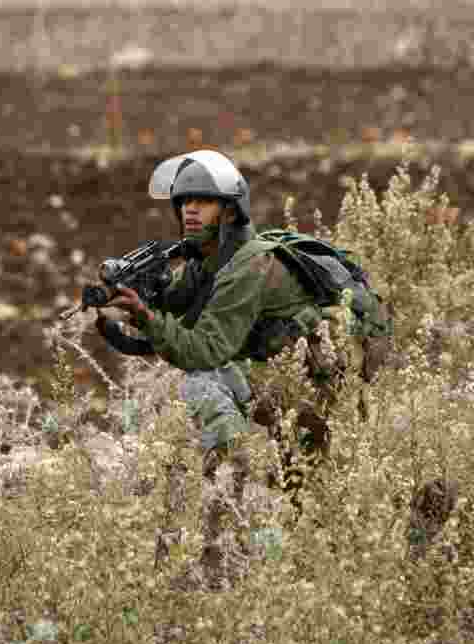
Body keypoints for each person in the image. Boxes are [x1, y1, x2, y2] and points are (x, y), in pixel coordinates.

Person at [95, 149, 384, 590]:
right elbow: (176, 304)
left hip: (317, 381)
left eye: (203, 201)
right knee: (298, 491)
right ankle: (254, 494)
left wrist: (147, 318)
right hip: (285, 372)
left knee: (206, 383)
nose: (190, 210)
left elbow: (203, 349)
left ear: (229, 209)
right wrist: (137, 300)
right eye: (183, 202)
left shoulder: (247, 265)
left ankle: (230, 494)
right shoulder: (206, 260)